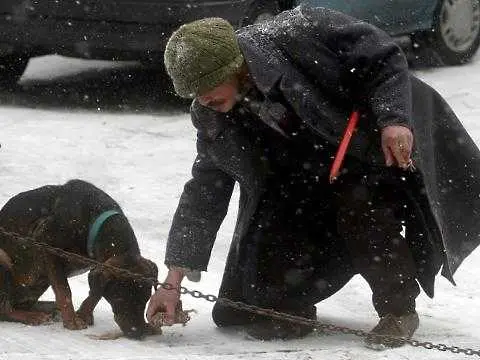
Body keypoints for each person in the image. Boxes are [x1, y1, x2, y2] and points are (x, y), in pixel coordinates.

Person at [146, 5, 480, 348]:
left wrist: (394, 119)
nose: (202, 99)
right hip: (300, 175)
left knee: (360, 207)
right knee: (246, 305)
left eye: (208, 87)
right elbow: (205, 190)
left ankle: (398, 309)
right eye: (193, 93)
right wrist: (173, 280)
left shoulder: (301, 30)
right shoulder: (211, 113)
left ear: (236, 67)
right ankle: (293, 310)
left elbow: (384, 55)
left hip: (366, 150)